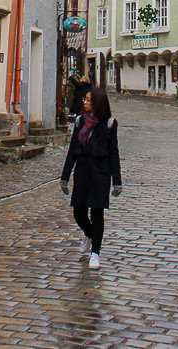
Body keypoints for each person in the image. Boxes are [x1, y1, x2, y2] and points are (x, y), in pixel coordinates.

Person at [60, 87, 122, 269]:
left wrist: (117, 181)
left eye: (88, 100)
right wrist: (65, 176)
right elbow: (72, 150)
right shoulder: (80, 121)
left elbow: (114, 153)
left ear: (97, 103)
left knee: (97, 213)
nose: (84, 103)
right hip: (82, 171)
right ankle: (89, 233)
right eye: (85, 100)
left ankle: (95, 253)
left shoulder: (109, 123)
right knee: (78, 212)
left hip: (101, 173)